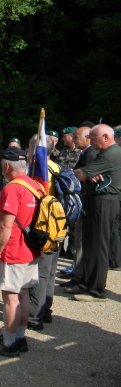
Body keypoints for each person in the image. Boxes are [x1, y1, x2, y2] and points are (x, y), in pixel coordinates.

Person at [0, 147, 40, 358]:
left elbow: (5, 225)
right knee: (23, 293)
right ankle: (20, 337)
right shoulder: (36, 186)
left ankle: (8, 342)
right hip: (31, 250)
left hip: (14, 250)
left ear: (7, 166)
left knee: (10, 298)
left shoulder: (12, 189)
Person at [71, 124, 121, 301]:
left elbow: (80, 175)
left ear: (106, 137)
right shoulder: (107, 153)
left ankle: (96, 290)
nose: (91, 142)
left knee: (98, 246)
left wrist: (82, 173)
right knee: (91, 244)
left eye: (93, 138)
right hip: (99, 200)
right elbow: (84, 174)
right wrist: (85, 173)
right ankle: (87, 283)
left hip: (104, 201)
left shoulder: (111, 154)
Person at [26, 134, 61, 330]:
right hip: (57, 225)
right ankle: (46, 310)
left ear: (35, 149)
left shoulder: (39, 170)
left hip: (43, 226)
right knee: (49, 272)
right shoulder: (56, 167)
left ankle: (35, 316)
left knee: (39, 272)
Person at [60, 126, 97, 287]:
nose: (74, 140)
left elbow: (82, 176)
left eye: (76, 137)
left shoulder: (91, 154)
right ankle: (78, 272)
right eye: (73, 137)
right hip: (78, 200)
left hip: (85, 200)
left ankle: (79, 275)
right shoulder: (85, 153)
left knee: (81, 240)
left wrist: (76, 174)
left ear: (87, 137)